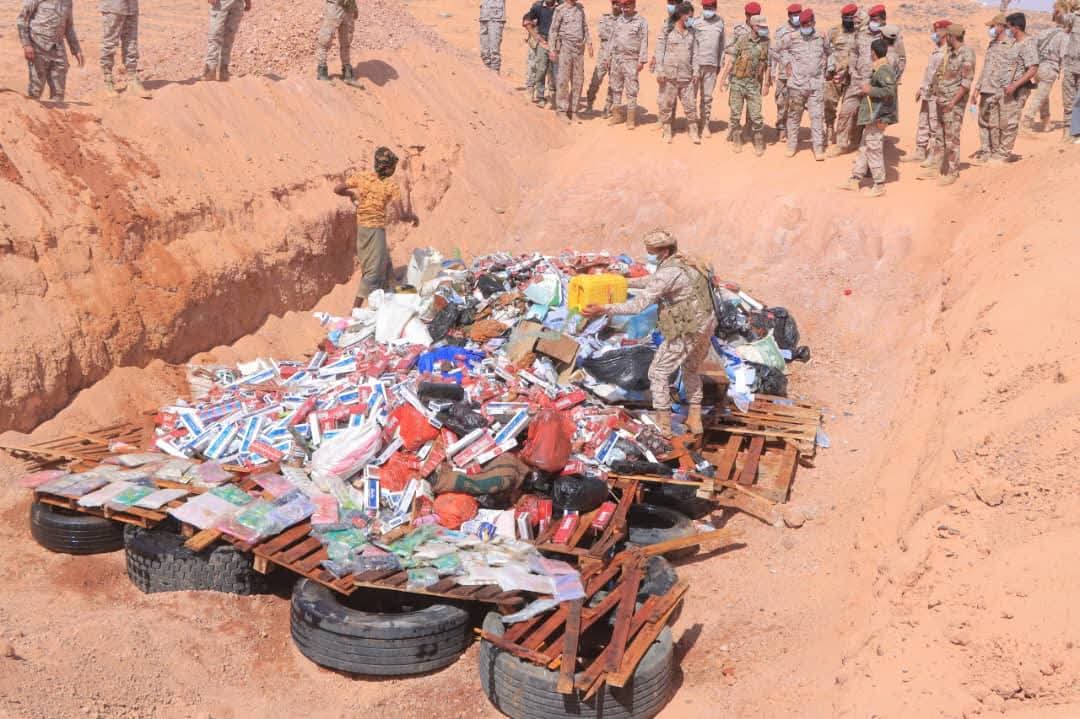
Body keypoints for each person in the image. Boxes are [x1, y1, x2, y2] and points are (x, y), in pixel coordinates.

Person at [580, 229, 717, 437]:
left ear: (663, 251)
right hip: (706, 324)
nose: (649, 255)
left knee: (657, 372)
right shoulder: (685, 263)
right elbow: (653, 281)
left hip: (687, 328)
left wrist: (603, 308)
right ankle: (695, 419)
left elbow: (637, 306)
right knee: (690, 369)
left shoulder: (668, 272)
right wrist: (624, 282)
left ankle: (664, 426)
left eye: (651, 252)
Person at [334, 147, 418, 308]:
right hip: (375, 231)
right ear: (388, 168)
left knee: (384, 261)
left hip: (362, 230)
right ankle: (354, 311)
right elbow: (401, 215)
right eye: (393, 167)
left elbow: (337, 189)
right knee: (373, 271)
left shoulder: (362, 177)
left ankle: (393, 291)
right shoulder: (391, 186)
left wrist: (351, 194)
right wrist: (414, 217)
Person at [840, 37, 896, 197]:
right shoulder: (878, 68)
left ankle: (879, 184)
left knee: (874, 150)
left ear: (873, 52)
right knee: (864, 148)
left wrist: (870, 90)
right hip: (872, 116)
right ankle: (855, 179)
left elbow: (890, 92)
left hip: (877, 117)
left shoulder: (884, 70)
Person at [925, 24, 975, 186]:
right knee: (939, 137)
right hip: (942, 100)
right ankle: (938, 167)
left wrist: (953, 103)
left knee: (952, 139)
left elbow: (966, 83)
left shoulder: (966, 54)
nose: (945, 39)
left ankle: (953, 172)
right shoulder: (950, 53)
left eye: (947, 36)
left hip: (953, 104)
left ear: (952, 37)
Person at [782, 8, 830, 160]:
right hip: (797, 85)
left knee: (817, 117)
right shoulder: (792, 37)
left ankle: (818, 149)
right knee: (794, 117)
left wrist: (829, 68)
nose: (805, 27)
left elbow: (830, 52)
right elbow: (780, 50)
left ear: (813, 22)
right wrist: (787, 63)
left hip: (816, 85)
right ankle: (791, 146)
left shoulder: (821, 37)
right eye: (803, 24)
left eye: (808, 24)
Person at [722, 12, 771, 155]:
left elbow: (767, 65)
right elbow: (732, 60)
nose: (764, 29)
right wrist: (723, 79)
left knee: (756, 115)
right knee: (735, 114)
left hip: (754, 84)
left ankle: (758, 140)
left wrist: (766, 84)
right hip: (738, 83)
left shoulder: (766, 42)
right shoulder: (742, 40)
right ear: (753, 26)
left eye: (764, 27)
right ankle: (737, 139)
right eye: (761, 26)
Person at [17, 0, 84, 103]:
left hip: (57, 48)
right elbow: (22, 19)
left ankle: (57, 110)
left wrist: (76, 50)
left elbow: (69, 27)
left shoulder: (67, 2)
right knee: (36, 90)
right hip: (38, 46)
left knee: (58, 92)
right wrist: (27, 44)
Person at [904, 19, 950, 166]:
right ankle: (920, 151)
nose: (934, 34)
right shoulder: (936, 50)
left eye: (936, 31)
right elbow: (929, 73)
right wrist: (922, 88)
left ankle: (933, 154)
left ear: (945, 32)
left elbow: (940, 76)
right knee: (923, 122)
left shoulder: (947, 52)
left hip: (936, 93)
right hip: (927, 92)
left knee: (934, 124)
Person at [828, 7, 872, 156]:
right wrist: (848, 73)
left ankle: (856, 143)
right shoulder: (855, 37)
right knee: (845, 113)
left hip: (870, 83)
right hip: (854, 82)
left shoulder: (876, 36)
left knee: (863, 115)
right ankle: (841, 144)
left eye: (858, 21)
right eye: (855, 21)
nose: (855, 23)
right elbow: (851, 59)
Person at [652, 0, 698, 143]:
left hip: (686, 75)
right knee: (666, 104)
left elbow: (695, 53)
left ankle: (693, 131)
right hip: (669, 75)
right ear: (681, 15)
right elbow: (659, 50)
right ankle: (667, 131)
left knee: (690, 105)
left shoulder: (692, 32)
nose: (691, 19)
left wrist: (696, 71)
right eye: (689, 16)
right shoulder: (667, 29)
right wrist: (659, 70)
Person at [997, 12, 1039, 162]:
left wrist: (1015, 85)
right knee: (1003, 121)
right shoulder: (1015, 43)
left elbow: (1033, 68)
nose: (1007, 30)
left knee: (1011, 122)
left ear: (1016, 27)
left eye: (1009, 27)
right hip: (1008, 90)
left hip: (1018, 90)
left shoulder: (1028, 43)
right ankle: (1001, 151)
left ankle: (1004, 155)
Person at [971, 13, 1013, 163]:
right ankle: (985, 150)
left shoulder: (1011, 45)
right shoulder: (992, 44)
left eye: (992, 26)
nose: (990, 29)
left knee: (995, 123)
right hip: (985, 89)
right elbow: (985, 68)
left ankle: (995, 151)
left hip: (999, 90)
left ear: (1001, 27)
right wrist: (976, 90)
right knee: (982, 121)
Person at [549, 0, 593, 123]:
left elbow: (585, 27)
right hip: (565, 48)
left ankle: (573, 111)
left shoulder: (580, 9)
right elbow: (553, 30)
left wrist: (589, 42)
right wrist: (552, 49)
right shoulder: (560, 10)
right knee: (563, 79)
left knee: (578, 80)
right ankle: (561, 111)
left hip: (579, 49)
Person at [606, 0, 648, 128]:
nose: (624, 8)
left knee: (631, 89)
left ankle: (630, 119)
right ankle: (617, 116)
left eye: (627, 5)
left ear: (634, 5)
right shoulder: (618, 20)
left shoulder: (641, 21)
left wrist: (641, 60)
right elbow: (612, 39)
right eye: (623, 6)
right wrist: (608, 57)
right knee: (616, 87)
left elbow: (644, 41)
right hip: (617, 59)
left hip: (631, 60)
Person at [1023, 10, 1067, 132]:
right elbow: (1064, 55)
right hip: (1049, 69)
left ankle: (1046, 122)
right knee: (1040, 96)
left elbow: (1033, 46)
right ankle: (1026, 121)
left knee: (1043, 95)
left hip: (1037, 67)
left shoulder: (1045, 32)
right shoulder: (1064, 36)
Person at [824, 4, 859, 147]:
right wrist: (829, 70)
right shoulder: (834, 32)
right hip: (835, 75)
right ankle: (829, 127)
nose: (849, 20)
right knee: (828, 102)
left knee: (849, 107)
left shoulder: (860, 33)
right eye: (846, 17)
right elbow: (827, 51)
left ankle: (847, 134)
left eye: (851, 17)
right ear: (842, 17)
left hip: (852, 77)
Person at [100, 0, 149, 97]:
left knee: (131, 42)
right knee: (110, 43)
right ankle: (107, 80)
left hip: (131, 6)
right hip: (113, 6)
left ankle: (132, 79)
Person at [691, 0, 724, 139]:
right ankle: (692, 124)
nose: (707, 9)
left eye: (710, 7)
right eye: (705, 7)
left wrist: (720, 63)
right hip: (696, 65)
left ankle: (705, 124)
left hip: (712, 65)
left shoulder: (720, 22)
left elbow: (722, 44)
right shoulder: (696, 22)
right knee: (692, 96)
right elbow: (691, 44)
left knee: (707, 97)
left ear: (715, 7)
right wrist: (692, 66)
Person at [770, 3, 802, 144]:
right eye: (794, 15)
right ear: (789, 16)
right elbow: (774, 51)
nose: (796, 17)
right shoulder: (781, 31)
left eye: (798, 14)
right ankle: (781, 128)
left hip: (799, 74)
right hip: (784, 74)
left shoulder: (805, 29)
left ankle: (792, 130)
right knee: (782, 103)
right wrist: (773, 70)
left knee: (796, 103)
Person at [585, 0, 619, 115]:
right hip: (604, 54)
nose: (616, 6)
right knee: (596, 79)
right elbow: (601, 33)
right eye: (614, 3)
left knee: (614, 82)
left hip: (617, 55)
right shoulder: (605, 18)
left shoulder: (625, 20)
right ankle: (589, 103)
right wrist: (616, 36)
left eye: (618, 3)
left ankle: (607, 107)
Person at [203, 0, 250, 81]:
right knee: (215, 34)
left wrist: (248, 1)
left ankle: (224, 69)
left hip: (237, 3)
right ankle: (210, 69)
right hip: (221, 3)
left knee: (229, 36)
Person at [316, 0, 360, 85]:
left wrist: (354, 7)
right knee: (325, 39)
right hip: (334, 6)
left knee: (346, 42)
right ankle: (322, 72)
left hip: (348, 8)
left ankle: (347, 73)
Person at [522, 0, 556, 107]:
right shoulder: (538, 6)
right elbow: (526, 19)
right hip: (540, 40)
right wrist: (536, 36)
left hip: (556, 42)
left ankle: (552, 95)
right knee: (536, 66)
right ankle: (533, 91)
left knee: (554, 70)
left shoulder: (561, 6)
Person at [868, 4, 905, 81]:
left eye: (875, 20)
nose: (872, 23)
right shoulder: (866, 33)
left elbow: (902, 59)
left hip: (887, 79)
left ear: (883, 19)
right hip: (866, 78)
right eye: (871, 20)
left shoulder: (892, 34)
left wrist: (896, 79)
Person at [1062, 3, 1080, 142]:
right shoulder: (1074, 18)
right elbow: (1064, 20)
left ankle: (1076, 131)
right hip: (1070, 65)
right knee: (1068, 98)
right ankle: (1068, 131)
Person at [479, 0, 506, 73]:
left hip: (496, 18)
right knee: (484, 52)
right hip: (484, 16)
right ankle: (487, 74)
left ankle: (495, 73)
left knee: (494, 50)